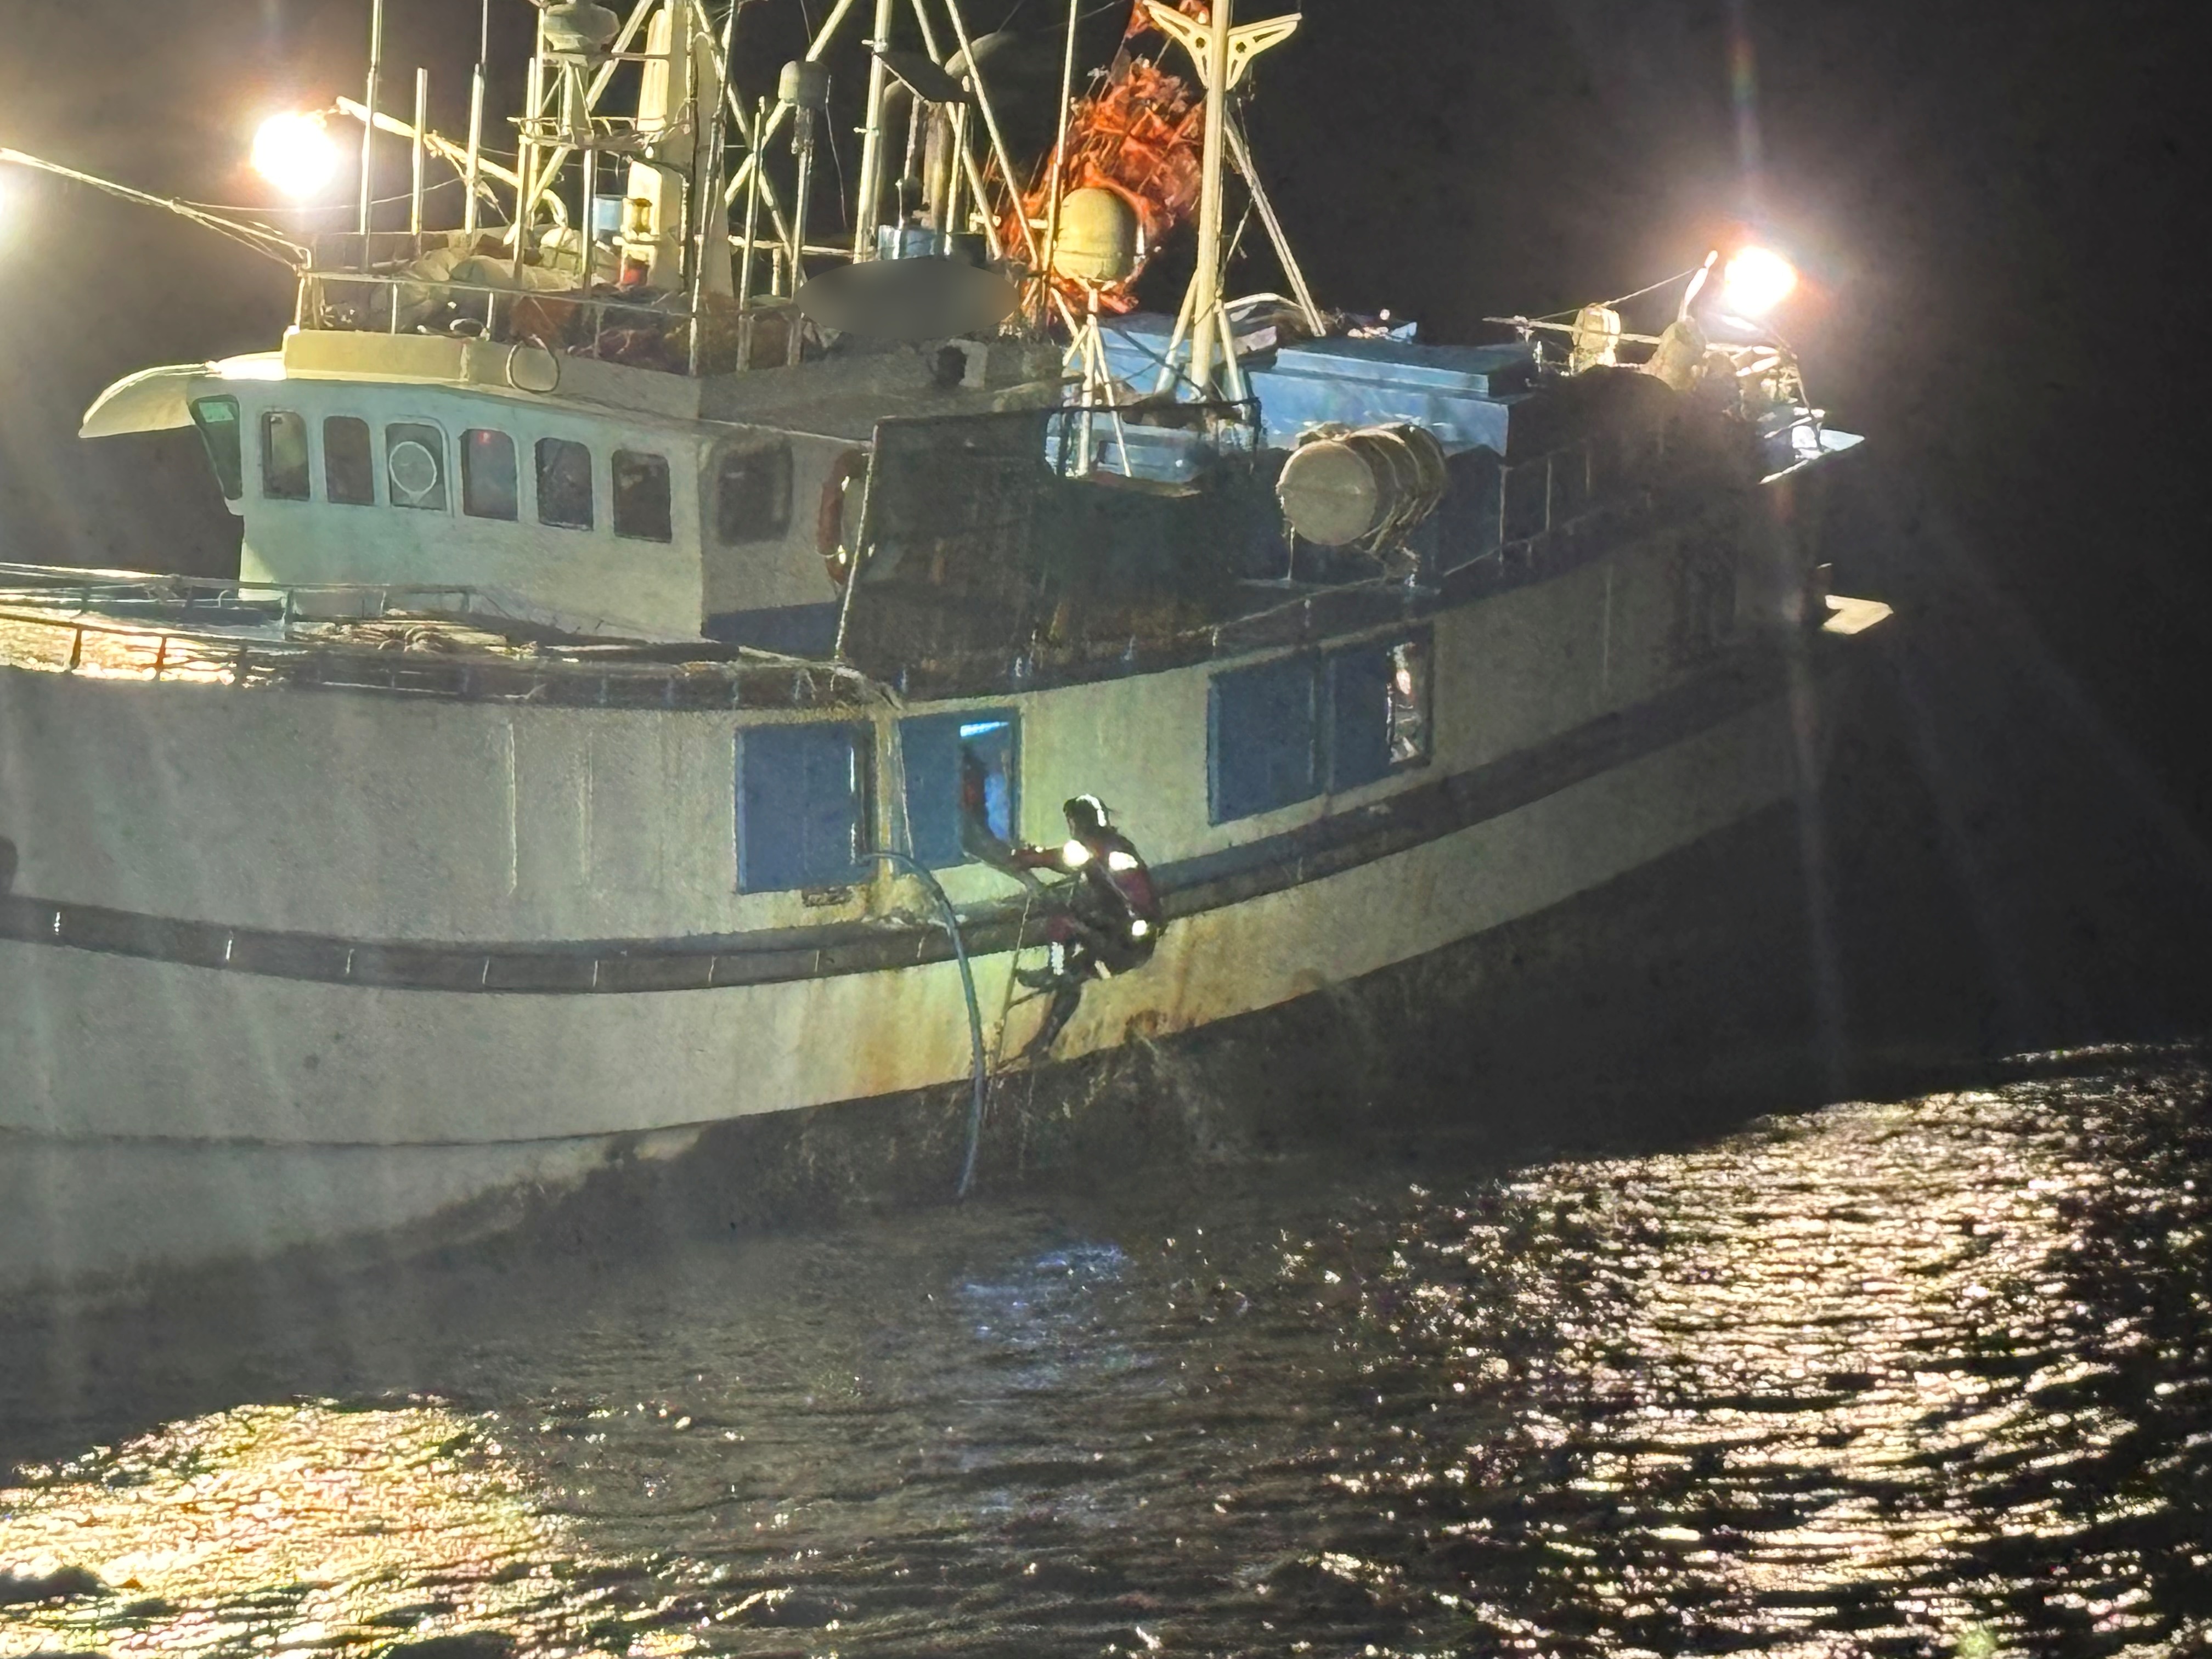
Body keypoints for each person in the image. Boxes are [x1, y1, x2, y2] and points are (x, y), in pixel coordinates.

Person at [1007, 795, 1164, 1064]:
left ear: (1079, 822)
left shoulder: (1098, 847)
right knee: (1073, 978)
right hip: (1131, 940)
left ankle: (1054, 969)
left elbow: (1061, 858)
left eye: (1071, 822)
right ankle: (1042, 1045)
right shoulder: (1114, 846)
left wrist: (1026, 857)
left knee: (1062, 920)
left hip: (1124, 941)